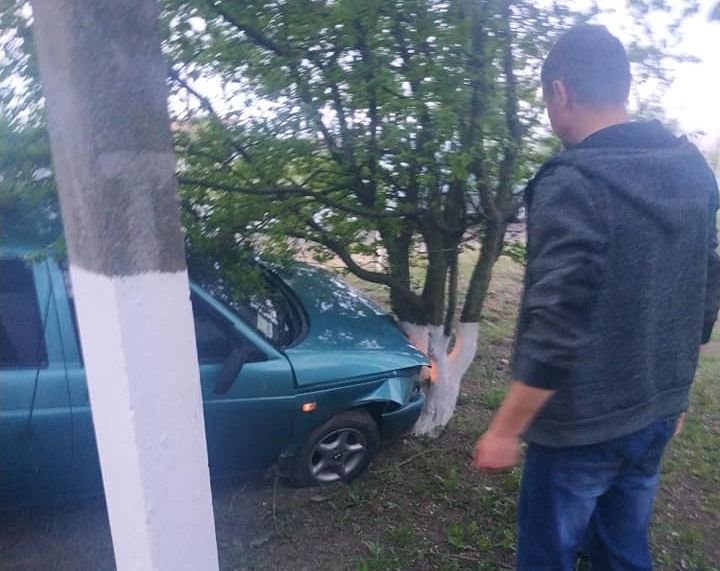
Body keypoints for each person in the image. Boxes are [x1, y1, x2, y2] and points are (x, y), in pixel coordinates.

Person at [471, 24, 720, 571]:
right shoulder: (693, 172)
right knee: (622, 551)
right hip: (654, 413)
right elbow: (706, 288)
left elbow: (557, 317)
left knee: (548, 559)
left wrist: (505, 429)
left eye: (546, 100)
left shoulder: (574, 180)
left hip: (580, 429)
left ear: (560, 92)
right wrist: (674, 394)